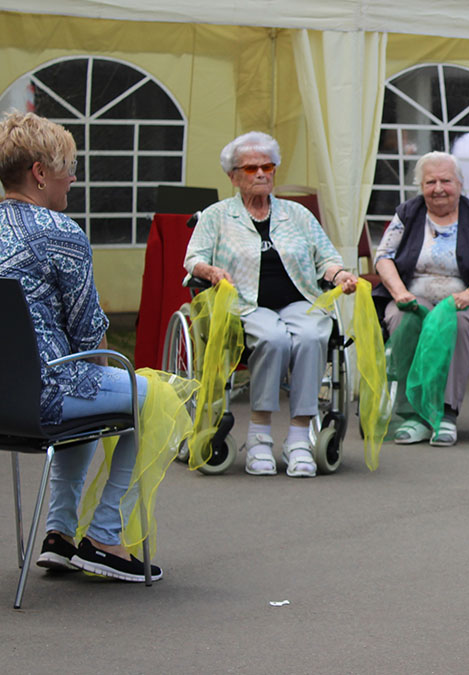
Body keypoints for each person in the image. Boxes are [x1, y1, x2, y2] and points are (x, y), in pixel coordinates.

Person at [0, 111, 159, 581]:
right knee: (148, 396)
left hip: (6, 400)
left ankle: (59, 534)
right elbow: (91, 338)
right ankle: (105, 535)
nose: (74, 177)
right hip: (43, 397)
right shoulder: (62, 234)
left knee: (86, 389)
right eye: (68, 166)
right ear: (39, 172)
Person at [184, 131, 358, 478]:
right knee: (273, 338)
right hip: (244, 306)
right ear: (233, 176)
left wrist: (340, 276)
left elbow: (326, 257)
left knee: (312, 335)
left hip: (299, 300)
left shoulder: (297, 215)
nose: (262, 174)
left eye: (267, 166)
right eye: (251, 169)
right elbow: (193, 259)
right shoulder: (217, 216)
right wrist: (212, 271)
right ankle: (259, 433)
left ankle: (298, 436)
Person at [374, 151, 469, 446]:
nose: (438, 188)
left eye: (446, 181)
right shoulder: (407, 213)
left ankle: (445, 413)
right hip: (414, 292)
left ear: (460, 184)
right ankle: (414, 414)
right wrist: (399, 293)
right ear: (420, 186)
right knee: (402, 317)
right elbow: (383, 256)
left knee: (458, 324)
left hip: (467, 297)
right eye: (430, 182)